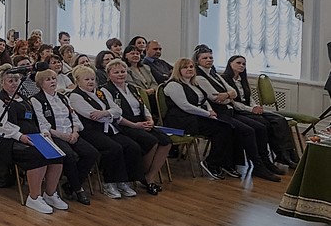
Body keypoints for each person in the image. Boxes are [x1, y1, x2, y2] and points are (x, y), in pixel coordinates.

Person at [193, 46, 284, 181]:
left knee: (260, 127)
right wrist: (229, 96)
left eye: (211, 57)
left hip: (229, 110)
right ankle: (257, 165)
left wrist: (228, 95)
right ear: (197, 61)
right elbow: (215, 98)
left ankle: (265, 161)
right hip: (219, 113)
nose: (209, 60)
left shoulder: (215, 74)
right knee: (248, 131)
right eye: (204, 58)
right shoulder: (200, 77)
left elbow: (233, 92)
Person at [0, 66, 67, 214]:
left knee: (57, 155)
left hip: (34, 137)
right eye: (10, 81)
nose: (14, 83)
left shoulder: (25, 99)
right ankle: (34, 197)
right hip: (9, 141)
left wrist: (44, 132)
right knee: (37, 156)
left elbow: (38, 119)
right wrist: (20, 136)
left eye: (16, 80)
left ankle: (49, 194)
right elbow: (3, 126)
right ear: (2, 83)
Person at [67, 66, 142, 199]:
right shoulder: (75, 96)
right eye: (86, 79)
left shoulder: (100, 93)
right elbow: (92, 115)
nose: (90, 82)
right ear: (78, 81)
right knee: (113, 148)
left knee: (132, 146)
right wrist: (110, 114)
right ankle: (110, 183)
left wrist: (105, 113)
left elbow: (118, 110)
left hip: (108, 128)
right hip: (90, 131)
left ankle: (125, 181)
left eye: (92, 79)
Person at [163, 58, 246, 178]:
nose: (189, 69)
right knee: (222, 129)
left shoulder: (193, 83)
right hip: (181, 120)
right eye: (185, 67)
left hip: (196, 116)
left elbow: (204, 100)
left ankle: (225, 163)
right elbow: (185, 106)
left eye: (191, 67)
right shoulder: (173, 85)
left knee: (229, 127)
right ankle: (211, 163)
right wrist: (207, 114)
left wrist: (210, 110)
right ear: (178, 70)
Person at [31, 69, 98, 205]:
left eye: (54, 78)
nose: (52, 82)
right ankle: (78, 189)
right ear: (40, 83)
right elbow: (42, 123)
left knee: (91, 153)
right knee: (68, 155)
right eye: (48, 79)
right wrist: (62, 135)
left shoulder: (63, 97)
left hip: (71, 133)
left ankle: (71, 184)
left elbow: (73, 116)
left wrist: (75, 131)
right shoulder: (36, 99)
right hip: (55, 135)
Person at [102, 60, 169, 193]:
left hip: (141, 121)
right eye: (116, 72)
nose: (121, 74)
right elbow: (114, 114)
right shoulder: (105, 90)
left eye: (123, 71)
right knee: (151, 141)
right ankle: (140, 174)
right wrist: (134, 125)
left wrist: (150, 120)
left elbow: (143, 107)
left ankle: (150, 177)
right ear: (109, 75)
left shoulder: (132, 88)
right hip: (124, 124)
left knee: (166, 141)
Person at [222, 55, 300, 168]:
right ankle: (274, 155)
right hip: (239, 111)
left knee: (279, 119)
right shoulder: (224, 79)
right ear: (230, 64)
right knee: (265, 123)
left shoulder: (242, 79)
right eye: (238, 63)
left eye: (243, 64)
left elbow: (250, 97)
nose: (241, 66)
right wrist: (251, 109)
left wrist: (256, 106)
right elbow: (233, 103)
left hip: (249, 109)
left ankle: (287, 153)